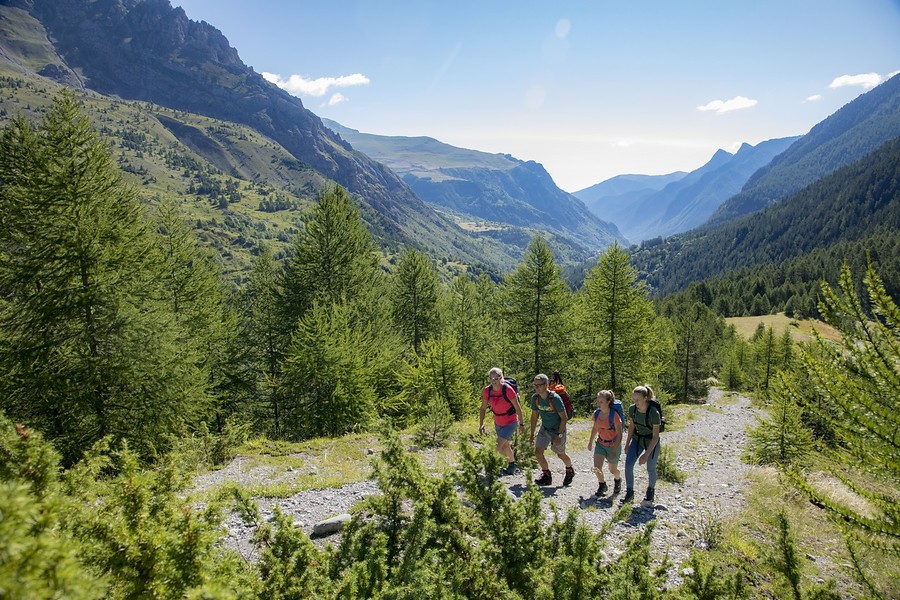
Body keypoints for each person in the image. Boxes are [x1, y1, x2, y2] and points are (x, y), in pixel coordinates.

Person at [529, 373, 574, 486]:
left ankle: (569, 469)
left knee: (560, 454)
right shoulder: (535, 398)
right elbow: (534, 416)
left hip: (558, 429)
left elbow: (564, 418)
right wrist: (531, 434)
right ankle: (546, 475)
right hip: (545, 428)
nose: (536, 387)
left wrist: (559, 435)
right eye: (535, 385)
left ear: (546, 385)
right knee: (538, 452)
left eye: (539, 385)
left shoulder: (555, 398)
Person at [479, 367, 525, 475]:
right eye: (491, 378)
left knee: (497, 445)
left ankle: (493, 467)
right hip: (498, 422)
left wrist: (522, 424)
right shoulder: (487, 390)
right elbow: (483, 408)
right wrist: (481, 424)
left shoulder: (508, 390)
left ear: (501, 378)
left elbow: (518, 408)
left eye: (496, 378)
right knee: (505, 445)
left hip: (510, 422)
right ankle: (512, 466)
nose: (494, 381)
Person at [621, 385, 661, 506]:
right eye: (634, 399)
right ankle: (629, 493)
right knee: (628, 465)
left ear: (645, 398)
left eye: (638, 399)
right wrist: (627, 444)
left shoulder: (654, 413)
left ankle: (650, 492)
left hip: (651, 442)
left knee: (650, 467)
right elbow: (631, 426)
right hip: (637, 439)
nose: (635, 402)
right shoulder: (632, 409)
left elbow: (655, 437)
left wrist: (646, 454)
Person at [587, 390, 622, 496]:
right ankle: (602, 484)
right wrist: (590, 441)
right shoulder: (596, 413)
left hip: (613, 445)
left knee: (612, 470)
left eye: (601, 402)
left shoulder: (614, 416)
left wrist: (614, 450)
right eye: (598, 401)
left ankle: (618, 480)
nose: (598, 404)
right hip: (601, 443)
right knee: (596, 468)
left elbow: (620, 435)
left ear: (608, 402)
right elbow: (595, 428)